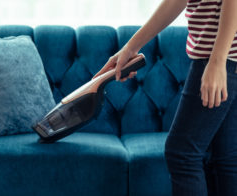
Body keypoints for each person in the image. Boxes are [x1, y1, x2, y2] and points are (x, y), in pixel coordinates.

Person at [92, 0, 237, 195]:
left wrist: (218, 60)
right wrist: (130, 47)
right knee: (226, 159)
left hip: (220, 57)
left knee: (182, 154)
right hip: (224, 56)